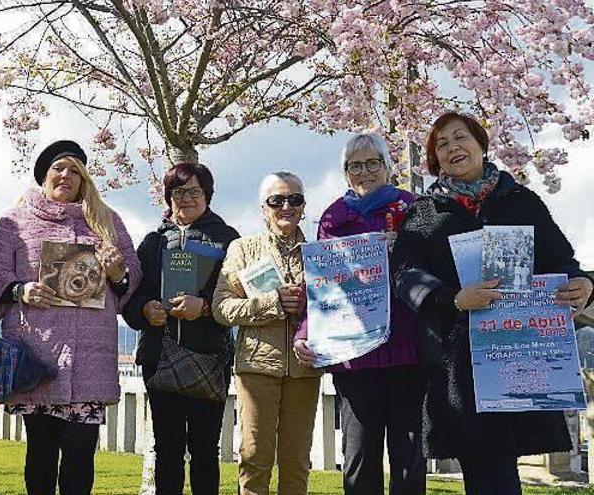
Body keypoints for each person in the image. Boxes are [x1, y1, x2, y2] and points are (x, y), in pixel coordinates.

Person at [392, 111, 594, 495]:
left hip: (523, 354)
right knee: (486, 468)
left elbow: (561, 261)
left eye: (460, 138)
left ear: (481, 145)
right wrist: (451, 297)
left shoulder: (523, 202)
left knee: (504, 468)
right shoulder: (423, 215)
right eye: (442, 144)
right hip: (461, 363)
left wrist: (581, 283)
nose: (453, 148)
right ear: (435, 160)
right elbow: (405, 274)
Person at [0, 140, 141, 495]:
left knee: (80, 453)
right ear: (44, 175)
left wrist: (117, 273)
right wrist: (18, 290)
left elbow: (132, 274)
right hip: (37, 354)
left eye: (75, 170)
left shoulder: (106, 220)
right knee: (40, 452)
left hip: (90, 358)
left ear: (84, 179)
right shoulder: (15, 221)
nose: (66, 176)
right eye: (59, 168)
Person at [315, 133, 425, 495]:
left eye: (372, 163)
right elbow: (321, 285)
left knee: (408, 454)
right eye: (355, 165)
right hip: (354, 353)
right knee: (359, 453)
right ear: (346, 172)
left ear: (387, 167)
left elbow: (435, 266)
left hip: (406, 347)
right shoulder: (333, 218)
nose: (364, 172)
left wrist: (405, 247)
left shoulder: (411, 208)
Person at [122, 162, 240, 495]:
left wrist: (202, 307)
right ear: (167, 197)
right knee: (167, 449)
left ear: (208, 195)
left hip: (209, 356)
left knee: (205, 450)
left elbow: (237, 298)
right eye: (177, 192)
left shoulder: (228, 240)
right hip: (159, 357)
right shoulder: (152, 242)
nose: (185, 199)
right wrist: (146, 310)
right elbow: (131, 300)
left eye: (193, 191)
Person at [212, 171, 322, 495]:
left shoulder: (319, 253)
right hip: (257, 367)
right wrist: (272, 303)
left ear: (303, 206)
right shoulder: (243, 249)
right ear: (263, 207)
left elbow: (335, 308)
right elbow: (222, 308)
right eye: (277, 200)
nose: (286, 206)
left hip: (305, 369)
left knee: (297, 462)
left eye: (295, 199)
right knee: (255, 458)